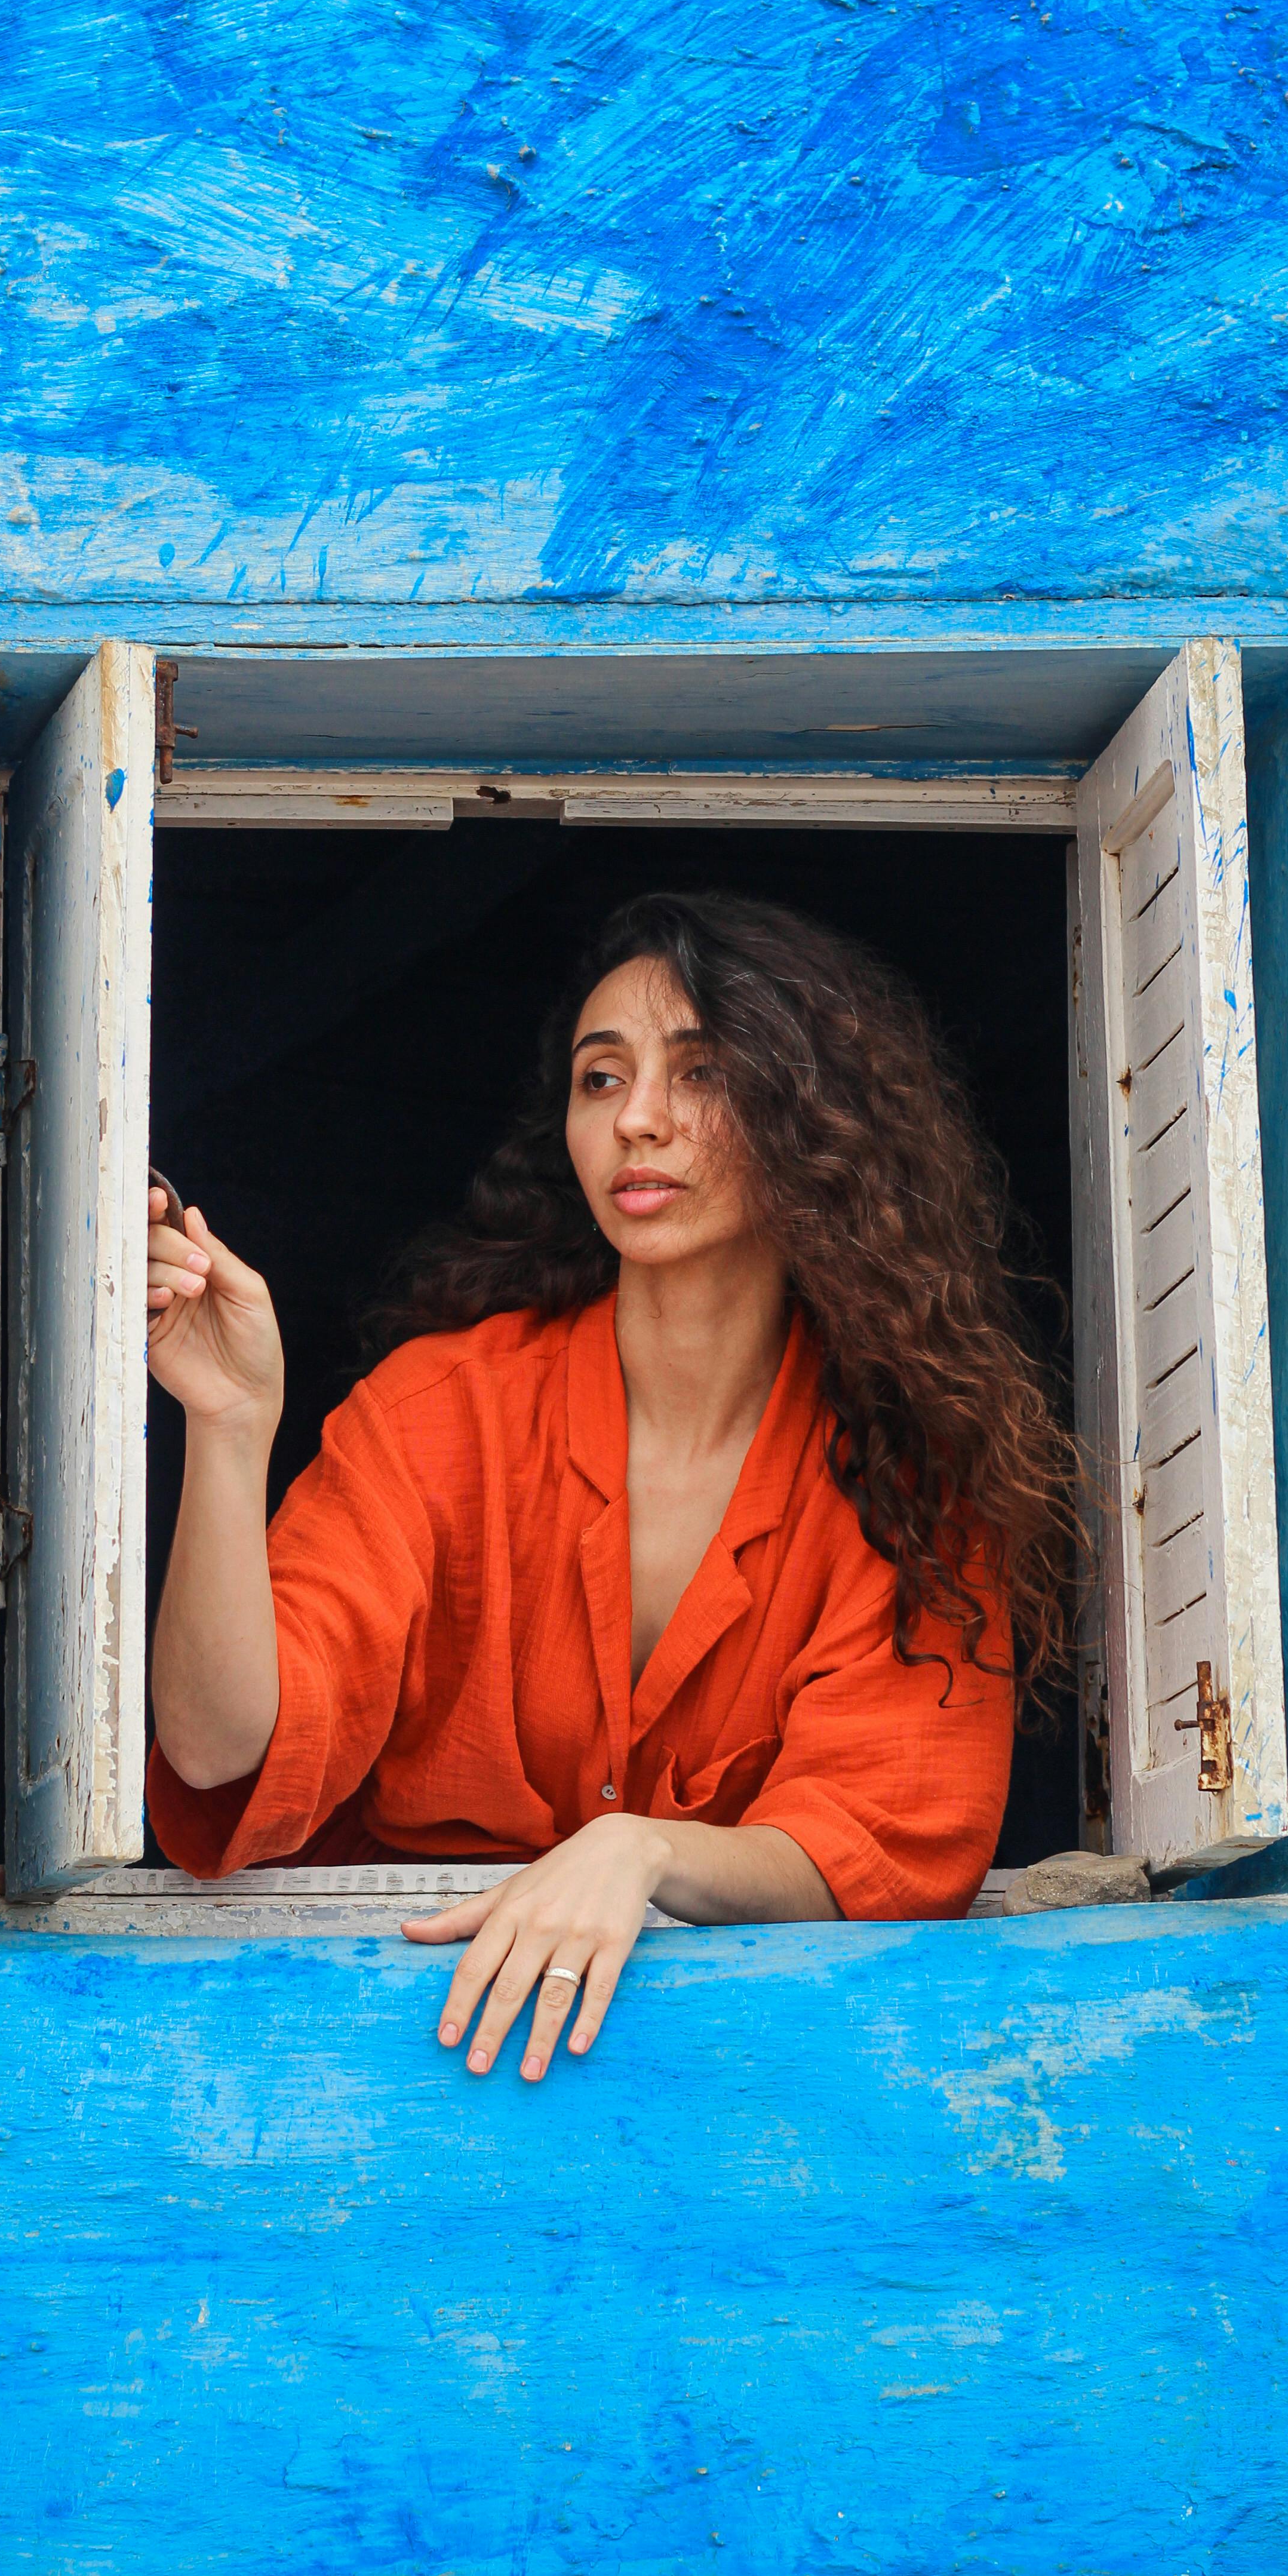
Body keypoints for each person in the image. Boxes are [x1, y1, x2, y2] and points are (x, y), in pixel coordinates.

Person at [145, 891, 1076, 2083]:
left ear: (818, 1119)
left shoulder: (911, 1473)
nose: (640, 1119)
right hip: (389, 2060)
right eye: (601, 1079)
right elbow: (224, 1752)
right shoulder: (442, 1412)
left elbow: (880, 1843)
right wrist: (230, 1428)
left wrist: (642, 1854)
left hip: (766, 2097)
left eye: (700, 1075)